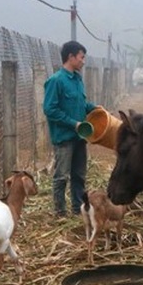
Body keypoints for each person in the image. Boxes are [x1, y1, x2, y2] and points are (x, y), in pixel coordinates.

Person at [43, 40, 97, 217]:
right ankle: (60, 212)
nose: (83, 61)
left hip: (80, 137)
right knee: (61, 177)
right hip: (64, 137)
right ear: (71, 57)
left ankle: (78, 209)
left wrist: (96, 109)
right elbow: (50, 109)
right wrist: (74, 124)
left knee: (79, 175)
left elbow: (81, 104)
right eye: (81, 57)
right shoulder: (56, 81)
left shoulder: (77, 80)